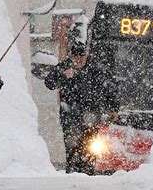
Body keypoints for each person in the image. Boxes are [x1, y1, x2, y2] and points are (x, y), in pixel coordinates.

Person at [44, 34, 118, 174]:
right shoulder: (64, 67)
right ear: (71, 56)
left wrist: (113, 108)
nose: (78, 60)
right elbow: (49, 82)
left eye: (81, 57)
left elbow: (109, 88)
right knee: (72, 153)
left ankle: (88, 175)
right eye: (75, 57)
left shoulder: (95, 71)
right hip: (70, 119)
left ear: (86, 57)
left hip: (91, 119)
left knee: (90, 152)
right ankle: (72, 175)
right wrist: (62, 74)